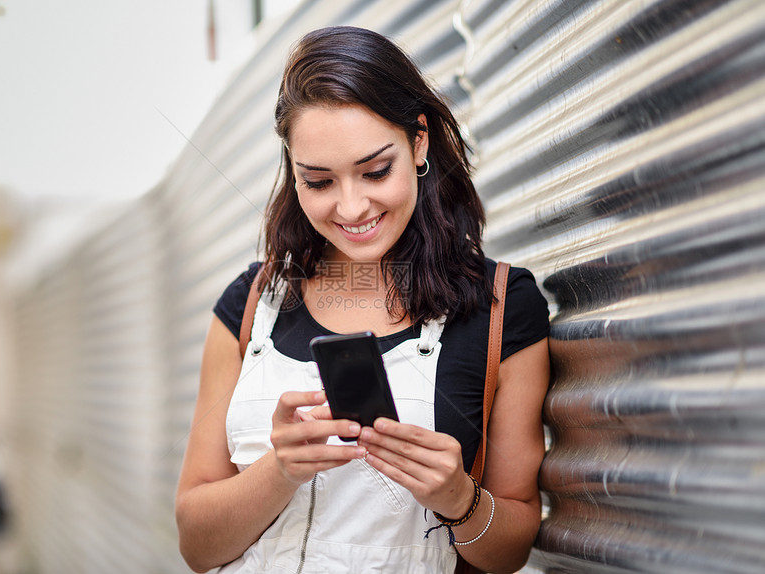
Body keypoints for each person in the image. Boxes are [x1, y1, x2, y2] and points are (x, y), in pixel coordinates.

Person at [175, 26, 550, 574]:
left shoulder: (501, 308)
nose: (351, 208)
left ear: (418, 140)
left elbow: (512, 549)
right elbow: (195, 545)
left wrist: (460, 501)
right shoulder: (252, 303)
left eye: (376, 171)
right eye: (319, 182)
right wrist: (279, 469)